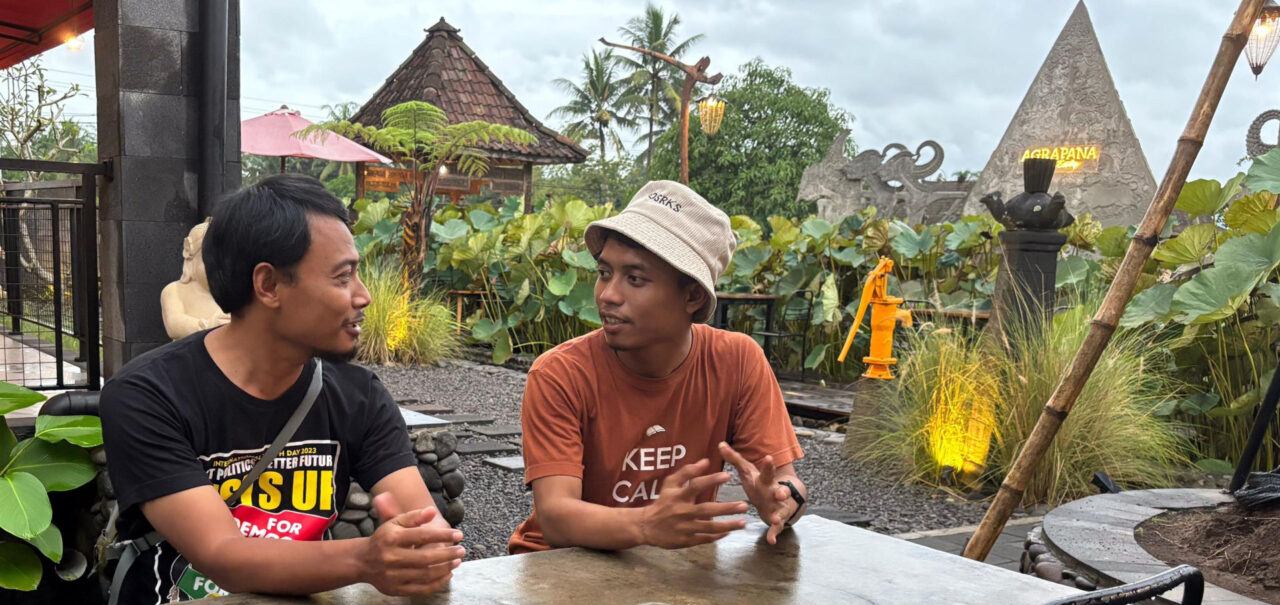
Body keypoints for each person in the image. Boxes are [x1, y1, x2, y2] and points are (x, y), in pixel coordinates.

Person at [100, 175, 463, 603]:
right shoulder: (147, 395)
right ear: (268, 285)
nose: (363, 297)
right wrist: (367, 560)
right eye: (343, 277)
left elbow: (425, 531)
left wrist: (425, 551)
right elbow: (223, 554)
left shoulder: (357, 394)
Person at [509, 180, 808, 554]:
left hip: (675, 566)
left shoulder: (737, 361)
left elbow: (787, 484)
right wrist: (648, 525)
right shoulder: (561, 374)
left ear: (692, 295)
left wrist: (781, 500)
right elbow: (555, 517)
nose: (608, 295)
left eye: (635, 279)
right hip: (558, 565)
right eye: (604, 273)